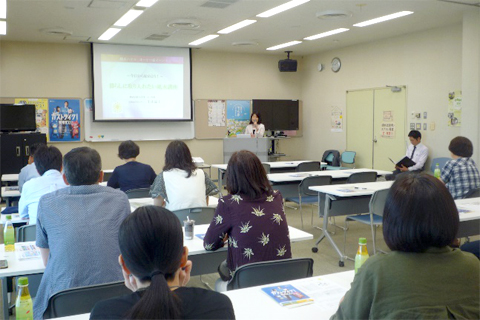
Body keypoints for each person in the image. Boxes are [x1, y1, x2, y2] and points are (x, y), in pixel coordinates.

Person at [330, 173, 479, 319]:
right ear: (450, 216)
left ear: (392, 220)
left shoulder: (377, 271)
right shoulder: (473, 266)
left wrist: (344, 304)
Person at [34, 147, 131, 319]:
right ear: (101, 176)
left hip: (63, 301)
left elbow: (46, 261)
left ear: (64, 178)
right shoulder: (120, 199)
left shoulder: (47, 203)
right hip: (115, 297)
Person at [90, 206, 235, 319]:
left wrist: (140, 293)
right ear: (184, 257)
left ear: (125, 265)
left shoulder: (103, 313)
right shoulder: (219, 306)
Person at [203, 150, 291, 282]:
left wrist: (224, 239)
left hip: (247, 281)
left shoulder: (228, 203)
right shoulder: (277, 197)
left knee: (219, 280)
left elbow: (209, 244)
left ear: (231, 177)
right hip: (284, 277)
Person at [150, 140, 218, 211]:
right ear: (188, 156)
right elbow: (206, 198)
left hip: (175, 219)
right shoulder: (201, 173)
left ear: (167, 157)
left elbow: (157, 205)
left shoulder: (163, 175)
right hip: (202, 218)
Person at [18, 145, 67, 224]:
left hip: (36, 234)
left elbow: (23, 214)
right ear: (62, 167)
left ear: (37, 170)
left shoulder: (28, 185)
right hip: (65, 235)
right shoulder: (71, 184)